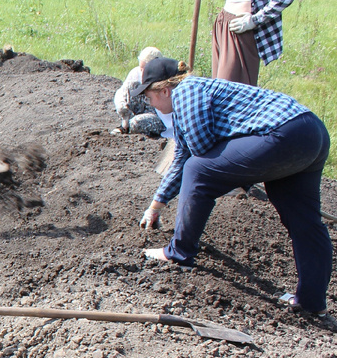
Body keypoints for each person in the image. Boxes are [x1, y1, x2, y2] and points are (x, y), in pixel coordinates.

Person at [134, 57, 331, 320]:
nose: (150, 104)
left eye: (149, 96)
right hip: (309, 132)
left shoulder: (186, 92)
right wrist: (157, 204)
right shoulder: (195, 93)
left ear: (164, 90)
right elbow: (184, 153)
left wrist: (231, 176)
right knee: (305, 221)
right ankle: (311, 301)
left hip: (280, 134)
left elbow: (198, 155)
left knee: (197, 169)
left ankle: (178, 253)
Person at [112, 47, 166, 137]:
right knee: (133, 85)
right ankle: (125, 126)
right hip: (139, 112)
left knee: (136, 122)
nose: (141, 71)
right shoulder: (135, 73)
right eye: (141, 68)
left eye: (144, 69)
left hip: (158, 116)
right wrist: (121, 105)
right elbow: (122, 92)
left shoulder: (163, 78)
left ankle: (134, 126)